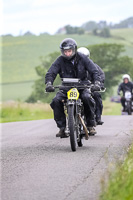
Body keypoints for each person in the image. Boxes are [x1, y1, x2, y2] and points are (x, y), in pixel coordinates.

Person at [45, 38, 101, 137]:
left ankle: (90, 125)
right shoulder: (60, 60)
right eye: (65, 51)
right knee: (56, 100)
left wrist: (96, 82)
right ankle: (62, 127)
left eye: (69, 51)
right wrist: (49, 83)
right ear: (62, 51)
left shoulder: (83, 58)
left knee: (88, 98)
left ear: (74, 49)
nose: (67, 53)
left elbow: (94, 71)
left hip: (82, 86)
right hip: (66, 87)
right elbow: (51, 72)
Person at [77, 47, 105, 125]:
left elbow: (101, 75)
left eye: (84, 57)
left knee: (97, 96)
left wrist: (99, 84)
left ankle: (97, 117)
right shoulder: (74, 66)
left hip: (91, 87)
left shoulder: (94, 66)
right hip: (76, 87)